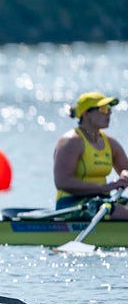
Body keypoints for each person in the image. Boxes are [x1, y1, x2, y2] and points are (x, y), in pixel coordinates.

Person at [53, 91, 128, 219]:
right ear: (86, 113)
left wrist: (124, 175)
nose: (109, 113)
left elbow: (125, 169)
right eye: (103, 109)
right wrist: (104, 187)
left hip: (100, 200)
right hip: (71, 204)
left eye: (109, 109)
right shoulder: (71, 142)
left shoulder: (110, 142)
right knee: (120, 212)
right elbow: (62, 182)